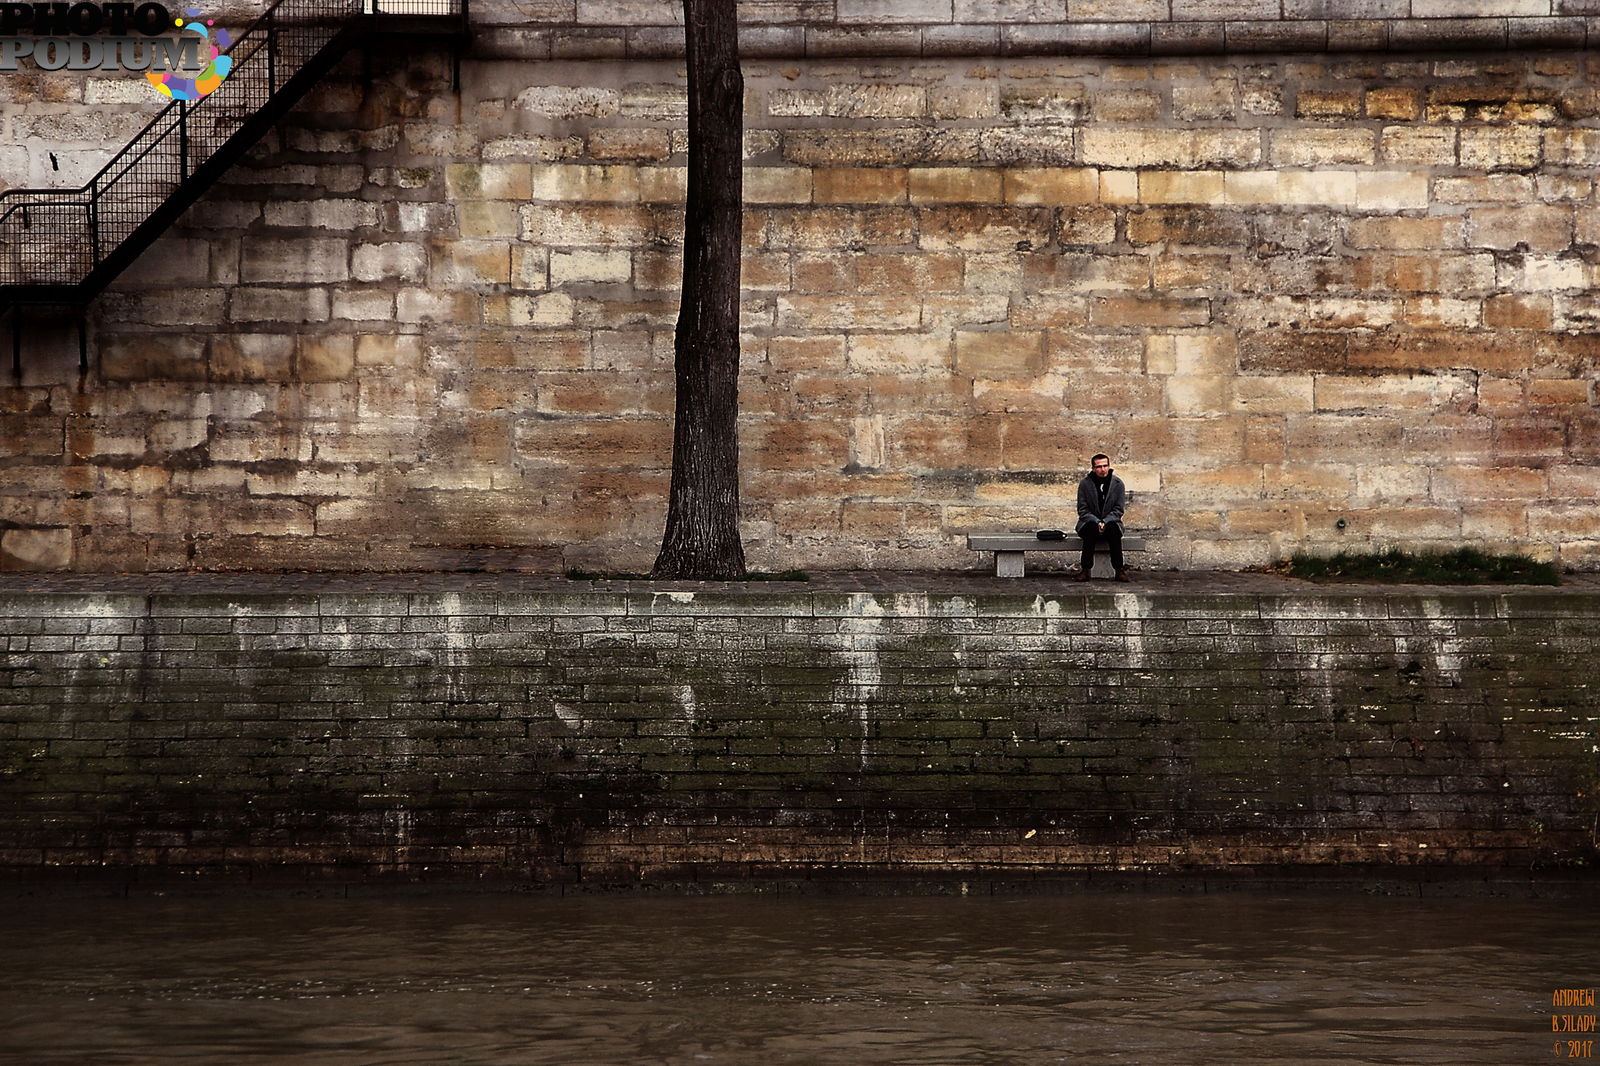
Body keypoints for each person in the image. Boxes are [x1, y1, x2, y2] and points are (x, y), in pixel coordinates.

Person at [1076, 453, 1129, 582]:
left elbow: (1118, 510)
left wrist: (1104, 521)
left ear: (1109, 466)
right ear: (1093, 468)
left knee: (1113, 531)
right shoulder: (1085, 484)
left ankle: (1119, 569)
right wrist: (1097, 521)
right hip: (1089, 522)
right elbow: (1082, 510)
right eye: (1099, 466)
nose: (1103, 469)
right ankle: (1085, 569)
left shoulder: (1118, 484)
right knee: (1090, 529)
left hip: (1111, 522)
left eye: (1105, 465)